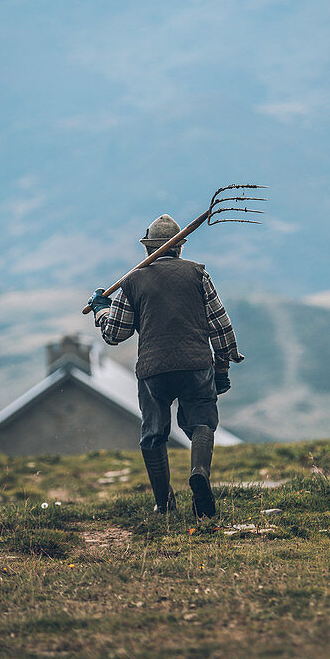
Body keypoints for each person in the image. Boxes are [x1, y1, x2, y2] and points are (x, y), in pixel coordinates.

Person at [87, 214, 243, 517]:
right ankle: (200, 473)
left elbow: (115, 334)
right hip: (196, 365)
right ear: (179, 248)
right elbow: (221, 326)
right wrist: (222, 367)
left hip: (153, 370)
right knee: (201, 421)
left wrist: (101, 310)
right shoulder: (199, 275)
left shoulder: (132, 281)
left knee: (154, 433)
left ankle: (163, 502)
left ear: (148, 249)